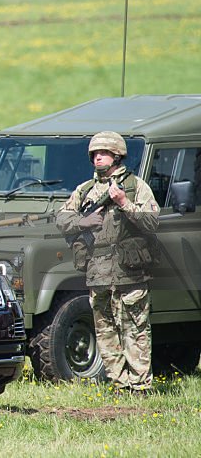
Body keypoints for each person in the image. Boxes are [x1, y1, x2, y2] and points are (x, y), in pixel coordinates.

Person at [57, 131, 159, 393]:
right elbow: (62, 220)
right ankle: (119, 383)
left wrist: (124, 202)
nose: (98, 157)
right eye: (95, 153)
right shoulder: (86, 190)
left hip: (130, 272)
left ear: (116, 155)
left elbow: (151, 222)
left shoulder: (136, 187)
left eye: (103, 153)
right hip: (99, 273)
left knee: (135, 330)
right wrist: (84, 221)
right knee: (105, 331)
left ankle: (140, 386)